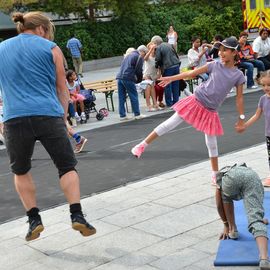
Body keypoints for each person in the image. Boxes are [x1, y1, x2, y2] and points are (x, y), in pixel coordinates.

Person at [0, 11, 96, 241]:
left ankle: (34, 219)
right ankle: (77, 215)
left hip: (14, 117)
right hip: (48, 114)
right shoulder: (51, 48)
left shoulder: (1, 49)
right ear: (42, 29)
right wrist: (63, 119)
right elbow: (62, 89)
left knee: (20, 170)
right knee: (67, 166)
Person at [131, 37, 246, 185]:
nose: (222, 53)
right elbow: (190, 74)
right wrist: (172, 78)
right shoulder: (214, 65)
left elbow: (240, 99)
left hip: (210, 109)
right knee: (170, 123)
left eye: (226, 50)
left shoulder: (238, 76)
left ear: (234, 52)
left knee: (211, 142)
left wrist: (242, 118)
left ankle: (215, 174)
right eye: (221, 50)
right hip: (196, 100)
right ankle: (141, 145)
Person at [215, 164, 270, 270]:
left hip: (230, 182)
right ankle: (264, 259)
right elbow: (256, 200)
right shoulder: (245, 170)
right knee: (255, 218)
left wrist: (225, 225)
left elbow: (218, 204)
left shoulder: (222, 178)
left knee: (225, 197)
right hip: (252, 178)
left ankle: (232, 229)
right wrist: (258, 217)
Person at [236, 70, 270, 187]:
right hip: (269, 134)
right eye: (263, 85)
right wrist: (245, 125)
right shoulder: (263, 99)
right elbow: (256, 115)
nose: (266, 88)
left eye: (269, 85)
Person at [116, 45, 147, 121]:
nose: (144, 56)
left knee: (121, 97)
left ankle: (122, 115)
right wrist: (139, 80)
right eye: (145, 54)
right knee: (133, 95)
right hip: (128, 77)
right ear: (142, 52)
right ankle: (137, 114)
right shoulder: (139, 57)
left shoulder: (129, 55)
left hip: (119, 77)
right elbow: (139, 71)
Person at [152, 35, 181, 107]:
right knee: (175, 84)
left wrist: (156, 66)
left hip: (168, 67)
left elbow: (158, 59)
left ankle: (169, 103)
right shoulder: (169, 44)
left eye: (153, 43)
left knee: (167, 85)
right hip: (176, 65)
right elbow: (176, 55)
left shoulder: (159, 47)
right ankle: (176, 102)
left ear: (155, 43)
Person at [139, 42, 162, 112]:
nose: (154, 50)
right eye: (152, 49)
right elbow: (145, 58)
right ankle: (149, 105)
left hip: (154, 78)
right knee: (148, 87)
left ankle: (155, 104)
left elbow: (159, 67)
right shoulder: (148, 56)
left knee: (153, 89)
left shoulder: (157, 57)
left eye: (155, 49)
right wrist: (150, 49)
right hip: (147, 76)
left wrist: (159, 74)